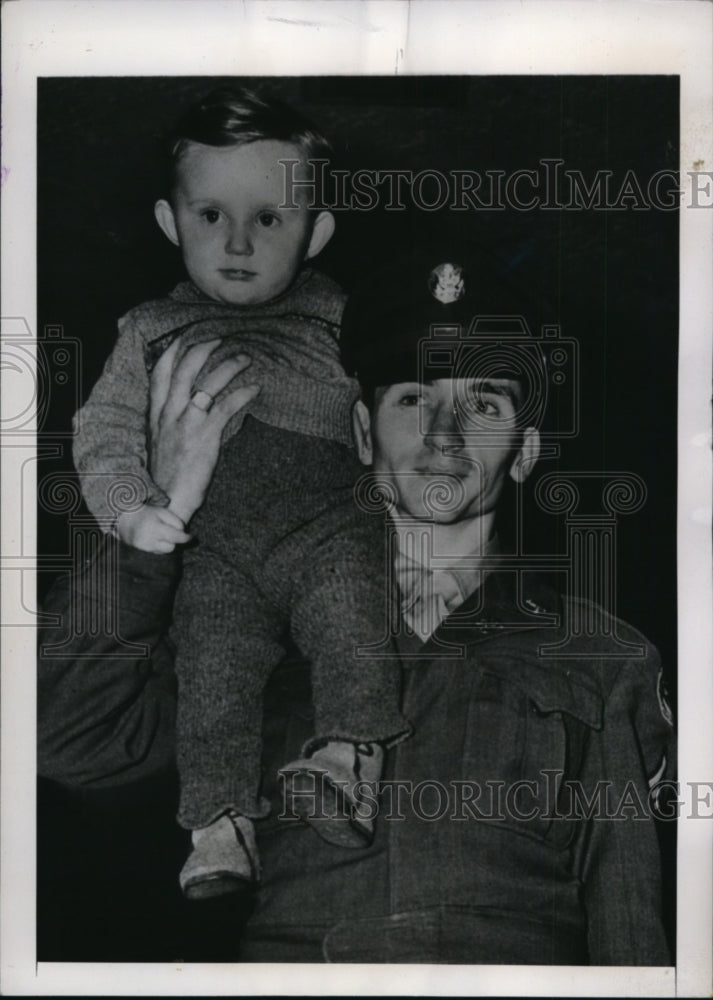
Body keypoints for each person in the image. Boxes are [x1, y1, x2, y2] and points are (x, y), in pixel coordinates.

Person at [39, 241, 675, 964]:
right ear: (361, 432)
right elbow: (57, 732)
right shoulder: (253, 623)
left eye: (484, 402)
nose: (444, 434)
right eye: (413, 398)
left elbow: (629, 929)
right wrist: (156, 512)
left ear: (525, 450)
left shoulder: (602, 658)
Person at [69, 87, 408, 900]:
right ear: (168, 221)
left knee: (353, 621)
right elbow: (103, 430)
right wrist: (130, 507)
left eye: (270, 219)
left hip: (332, 526)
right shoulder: (148, 330)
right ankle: (219, 826)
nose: (238, 241)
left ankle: (347, 758)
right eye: (210, 215)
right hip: (215, 553)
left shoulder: (340, 316)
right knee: (212, 670)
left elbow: (398, 401)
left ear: (316, 232)